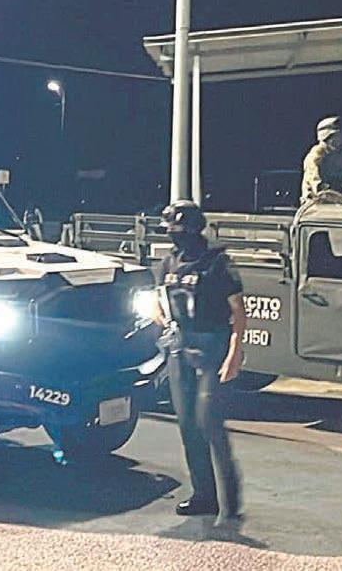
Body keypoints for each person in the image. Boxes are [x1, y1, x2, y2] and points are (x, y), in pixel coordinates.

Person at [155, 200, 246, 527]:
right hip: (180, 348)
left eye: (178, 229)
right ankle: (203, 495)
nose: (173, 235)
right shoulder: (168, 262)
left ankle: (230, 500)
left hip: (212, 345)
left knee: (208, 421)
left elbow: (238, 310)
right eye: (170, 230)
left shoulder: (217, 263)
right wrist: (163, 320)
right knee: (187, 424)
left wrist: (234, 352)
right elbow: (158, 299)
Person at [301, 116, 342, 204]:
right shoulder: (316, 156)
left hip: (340, 202)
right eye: (337, 136)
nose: (341, 138)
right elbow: (318, 187)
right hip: (316, 204)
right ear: (327, 137)